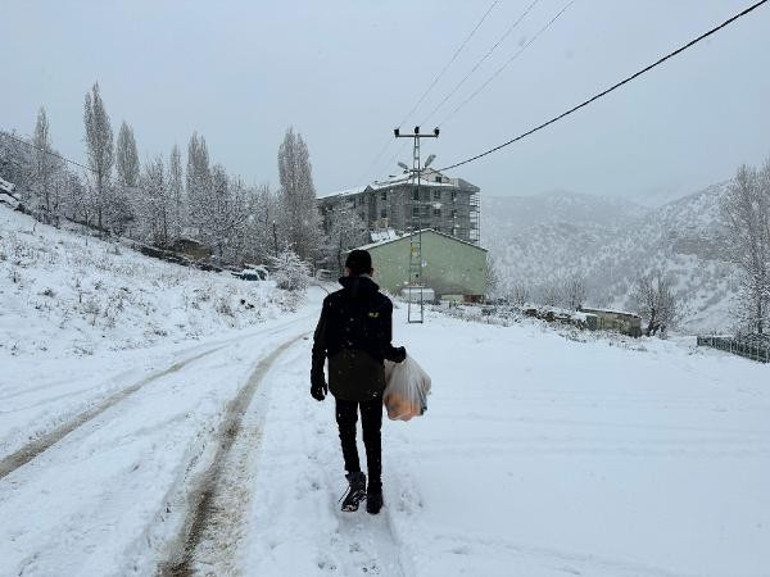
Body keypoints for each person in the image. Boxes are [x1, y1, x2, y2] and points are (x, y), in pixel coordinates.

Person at [311, 249, 406, 514]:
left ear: (347, 270)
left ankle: (355, 479)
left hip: (341, 380)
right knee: (372, 434)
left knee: (347, 431)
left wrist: (316, 376)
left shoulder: (332, 302)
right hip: (370, 381)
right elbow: (383, 346)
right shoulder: (382, 304)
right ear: (371, 272)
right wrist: (399, 355)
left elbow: (320, 343)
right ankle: (375, 491)